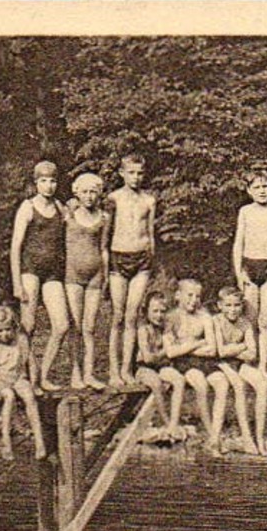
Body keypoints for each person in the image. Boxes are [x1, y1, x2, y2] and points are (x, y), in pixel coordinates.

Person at [9, 161, 73, 389]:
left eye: (53, 181)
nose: (49, 186)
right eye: (43, 181)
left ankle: (43, 375)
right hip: (30, 270)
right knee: (28, 326)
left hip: (52, 273)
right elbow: (16, 246)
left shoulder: (61, 208)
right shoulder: (27, 207)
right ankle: (26, 376)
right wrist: (17, 283)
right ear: (36, 183)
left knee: (62, 325)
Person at [106, 154, 158, 386]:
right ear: (122, 173)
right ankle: (113, 371)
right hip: (119, 257)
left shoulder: (149, 200)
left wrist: (150, 258)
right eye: (131, 173)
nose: (135, 177)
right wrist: (105, 265)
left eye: (139, 173)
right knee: (117, 315)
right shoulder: (113, 198)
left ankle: (127, 369)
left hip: (142, 259)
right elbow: (105, 236)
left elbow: (150, 233)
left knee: (132, 315)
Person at [0, 302, 48, 466]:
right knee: (9, 396)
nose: (5, 334)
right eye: (0, 331)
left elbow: (32, 363)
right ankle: (6, 441)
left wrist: (34, 384)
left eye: (8, 330)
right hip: (0, 379)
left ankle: (39, 442)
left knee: (29, 397)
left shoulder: (21, 340)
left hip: (18, 377)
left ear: (14, 328)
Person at [231, 169, 267, 375]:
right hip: (249, 267)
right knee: (251, 319)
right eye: (256, 187)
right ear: (249, 191)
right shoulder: (245, 211)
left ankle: (263, 366)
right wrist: (239, 273)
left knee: (266, 319)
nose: (262, 191)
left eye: (265, 186)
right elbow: (238, 243)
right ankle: (250, 363)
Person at [160, 278, 228, 453]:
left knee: (222, 383)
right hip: (184, 364)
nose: (194, 300)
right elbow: (171, 352)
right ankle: (212, 435)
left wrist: (185, 347)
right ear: (178, 295)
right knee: (201, 385)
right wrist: (197, 344)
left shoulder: (205, 317)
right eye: (189, 295)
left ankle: (216, 434)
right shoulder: (171, 317)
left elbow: (212, 349)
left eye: (197, 296)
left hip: (205, 361)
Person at [62, 171, 110, 389]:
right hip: (72, 275)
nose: (89, 196)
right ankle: (75, 373)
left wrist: (106, 276)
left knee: (90, 327)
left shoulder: (104, 218)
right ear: (77, 193)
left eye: (93, 192)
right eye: (85, 192)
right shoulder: (68, 213)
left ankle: (89, 373)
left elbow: (104, 248)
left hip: (95, 275)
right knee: (76, 326)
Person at [211, 285, 267, 455]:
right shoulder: (215, 321)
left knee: (262, 383)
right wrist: (242, 346)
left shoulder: (245, 323)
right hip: (218, 364)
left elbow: (252, 354)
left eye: (237, 305)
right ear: (220, 305)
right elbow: (219, 352)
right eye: (228, 305)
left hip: (238, 362)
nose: (233, 310)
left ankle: (260, 437)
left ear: (242, 306)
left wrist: (235, 348)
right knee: (239, 385)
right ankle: (246, 437)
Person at [132, 290, 182, 442]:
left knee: (178, 379)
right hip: (142, 368)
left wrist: (163, 354)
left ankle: (174, 422)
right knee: (155, 383)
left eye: (162, 311)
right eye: (155, 311)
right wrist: (165, 351)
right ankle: (165, 421)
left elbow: (173, 351)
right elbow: (147, 358)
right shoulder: (143, 330)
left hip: (160, 366)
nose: (159, 315)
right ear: (146, 311)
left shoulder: (166, 329)